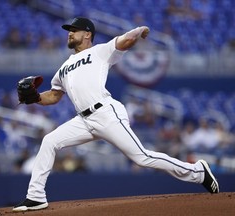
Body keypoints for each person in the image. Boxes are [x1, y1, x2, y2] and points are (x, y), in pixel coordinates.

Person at [13, 17, 219, 212]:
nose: (69, 33)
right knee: (49, 141)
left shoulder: (100, 52)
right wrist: (36, 98)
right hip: (83, 120)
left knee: (142, 158)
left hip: (106, 113)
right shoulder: (64, 68)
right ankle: (36, 196)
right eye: (69, 31)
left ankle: (198, 172)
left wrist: (139, 30)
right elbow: (55, 95)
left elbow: (125, 40)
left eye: (73, 30)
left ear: (87, 34)